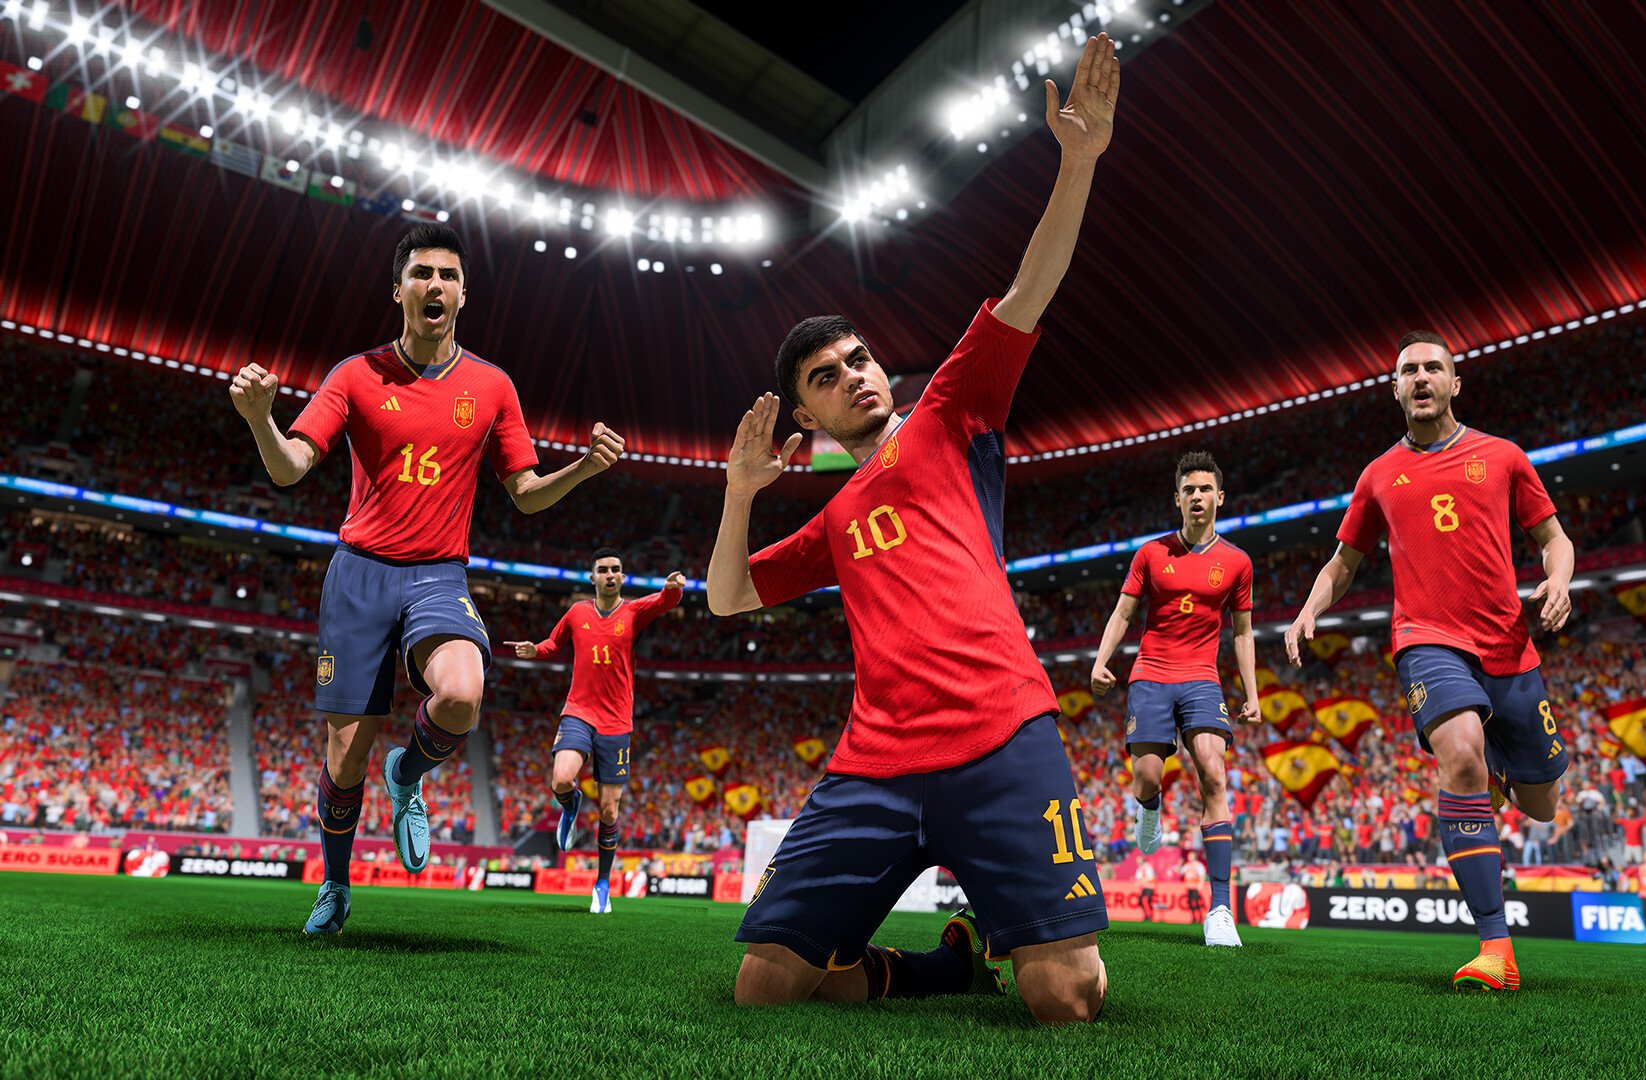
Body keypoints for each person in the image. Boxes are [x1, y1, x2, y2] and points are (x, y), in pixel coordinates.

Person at [704, 34, 1122, 1025]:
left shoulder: (948, 411)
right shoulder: (835, 515)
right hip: (874, 761)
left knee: (1065, 995)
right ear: (806, 415)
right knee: (767, 987)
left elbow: (1029, 291)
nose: (854, 375)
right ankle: (942, 967)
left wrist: (1077, 161)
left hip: (1000, 735)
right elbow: (726, 597)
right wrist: (738, 494)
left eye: (857, 359)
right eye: (827, 376)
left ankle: (1014, 945)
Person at [228, 223, 624, 934]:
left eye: (448, 275)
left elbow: (526, 493)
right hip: (359, 576)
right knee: (344, 758)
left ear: (463, 294)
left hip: (438, 576)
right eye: (421, 273)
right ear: (399, 290)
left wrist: (585, 468)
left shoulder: (492, 386)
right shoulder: (355, 374)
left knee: (463, 693)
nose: (434, 285)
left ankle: (407, 774)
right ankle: (336, 886)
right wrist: (261, 419)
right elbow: (290, 467)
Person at [1284, 330, 1576, 992]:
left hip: (1509, 646)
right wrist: (1308, 610)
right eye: (1409, 370)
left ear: (1454, 383)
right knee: (1462, 755)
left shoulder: (1502, 457)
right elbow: (1343, 562)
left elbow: (1554, 539)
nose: (1420, 377)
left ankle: (1503, 768)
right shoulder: (1378, 475)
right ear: (1395, 389)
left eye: (1433, 368)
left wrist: (1558, 579)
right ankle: (1496, 946)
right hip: (1427, 640)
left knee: (1542, 805)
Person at [1087, 450, 1258, 947]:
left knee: (1213, 772)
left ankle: (1221, 910)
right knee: (1146, 776)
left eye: (1205, 489)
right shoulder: (1150, 553)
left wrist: (1252, 693)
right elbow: (1123, 613)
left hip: (1202, 678)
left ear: (1219, 497)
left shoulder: (1237, 562)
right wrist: (1100, 660)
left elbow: (1242, 632)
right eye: (1189, 490)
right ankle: (1149, 807)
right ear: (1177, 499)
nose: (1197, 497)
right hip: (1151, 675)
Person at [504, 549, 685, 914]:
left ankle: (602, 883)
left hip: (616, 722)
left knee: (608, 809)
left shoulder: (633, 612)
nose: (610, 574)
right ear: (593, 578)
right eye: (603, 570)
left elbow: (664, 602)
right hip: (579, 712)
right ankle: (570, 805)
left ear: (622, 577)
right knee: (561, 779)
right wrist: (535, 650)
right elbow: (554, 643)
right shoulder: (577, 613)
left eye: (616, 569)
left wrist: (673, 588)